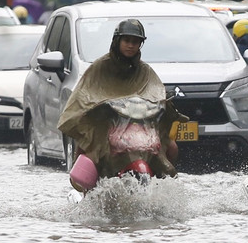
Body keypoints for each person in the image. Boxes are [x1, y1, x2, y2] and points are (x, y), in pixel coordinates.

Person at [57, 19, 177, 179]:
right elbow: (83, 95)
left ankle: (163, 182)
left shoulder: (145, 71)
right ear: (117, 41)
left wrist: (162, 104)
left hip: (140, 127)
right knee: (86, 146)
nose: (130, 45)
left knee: (172, 147)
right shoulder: (100, 67)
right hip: (106, 126)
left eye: (135, 42)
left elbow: (156, 93)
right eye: (127, 40)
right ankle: (87, 189)